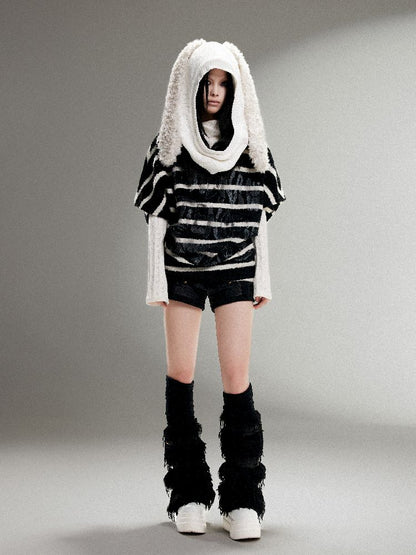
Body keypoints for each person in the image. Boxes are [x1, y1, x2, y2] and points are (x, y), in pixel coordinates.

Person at [134, 39, 286, 541]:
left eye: (224, 83)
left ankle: (242, 497)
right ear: (192, 86)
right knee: (181, 376)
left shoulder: (251, 148)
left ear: (236, 89)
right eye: (207, 82)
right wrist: (157, 283)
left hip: (236, 268)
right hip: (182, 269)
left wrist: (263, 280)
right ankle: (188, 493)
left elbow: (260, 220)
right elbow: (157, 219)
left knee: (236, 376)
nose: (215, 92)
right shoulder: (169, 148)